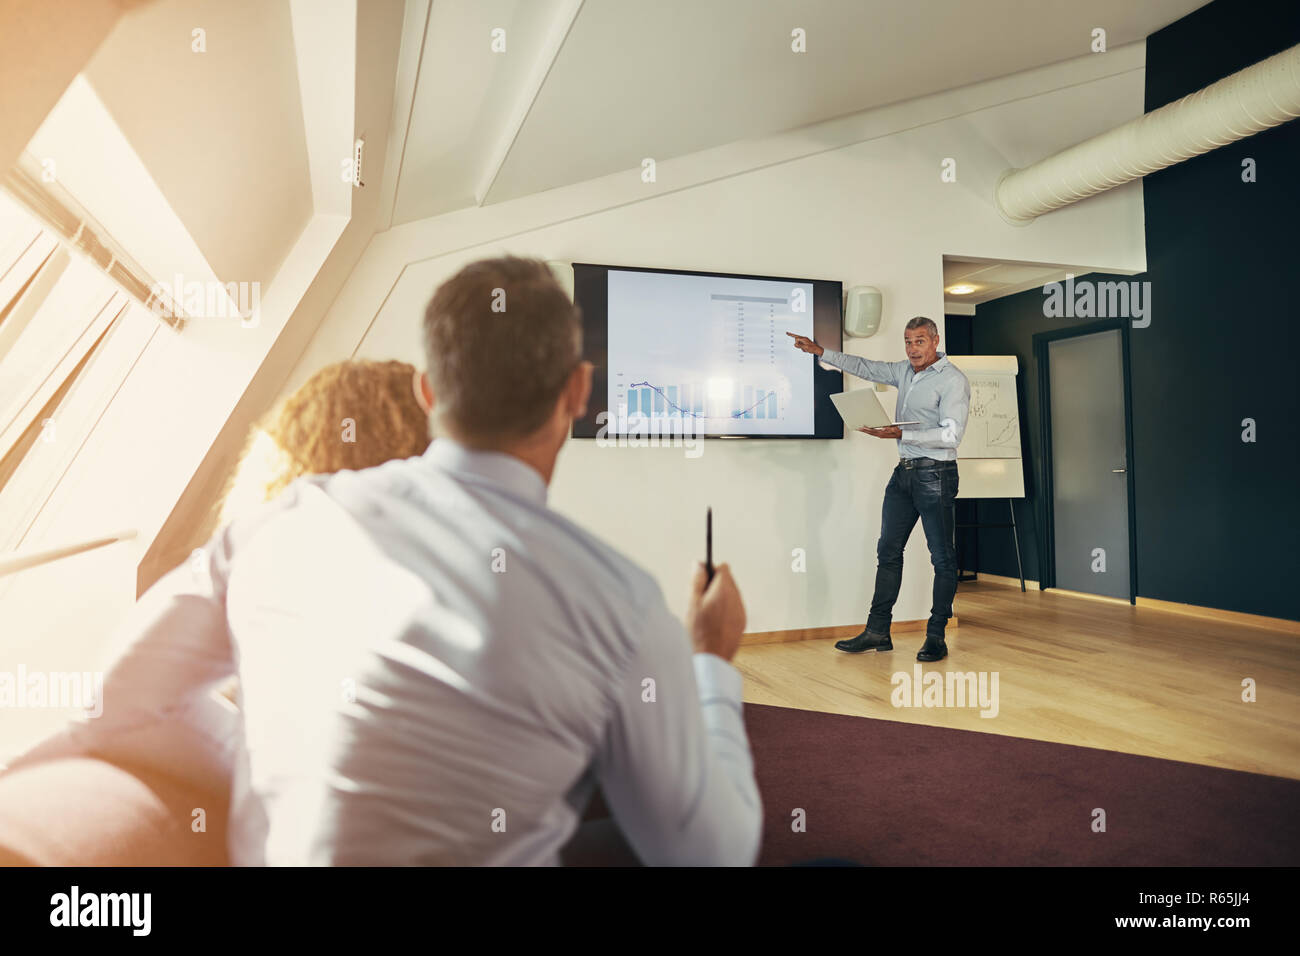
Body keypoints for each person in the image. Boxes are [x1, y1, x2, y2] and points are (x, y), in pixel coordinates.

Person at [15, 256, 761, 866]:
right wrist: (712, 661)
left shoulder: (280, 523)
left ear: (427, 388)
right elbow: (711, 857)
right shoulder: (623, 602)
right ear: (578, 392)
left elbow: (111, 706)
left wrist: (269, 764)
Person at [787, 317, 970, 662]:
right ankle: (877, 631)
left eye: (919, 342)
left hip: (937, 476)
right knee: (888, 552)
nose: (912, 349)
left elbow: (951, 435)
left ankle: (936, 636)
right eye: (907, 342)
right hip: (904, 474)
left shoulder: (952, 380)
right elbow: (867, 368)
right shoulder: (905, 371)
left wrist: (903, 434)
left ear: (934, 341)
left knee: (942, 558)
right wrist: (821, 351)